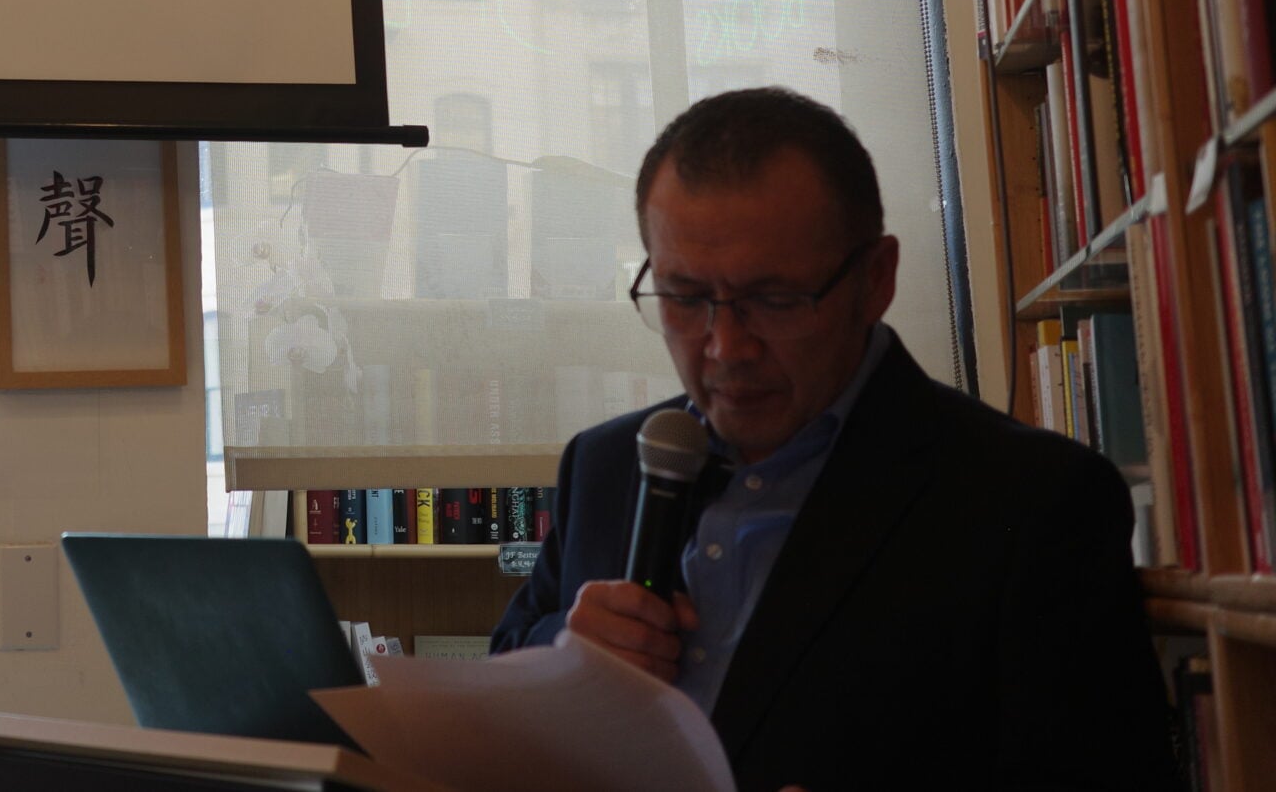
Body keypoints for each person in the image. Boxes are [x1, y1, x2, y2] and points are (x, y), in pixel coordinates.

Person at [492, 87, 1174, 792]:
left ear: (875, 279)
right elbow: (504, 672)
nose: (725, 347)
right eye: (685, 297)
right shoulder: (605, 465)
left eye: (775, 299)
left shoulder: (1033, 501)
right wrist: (565, 656)